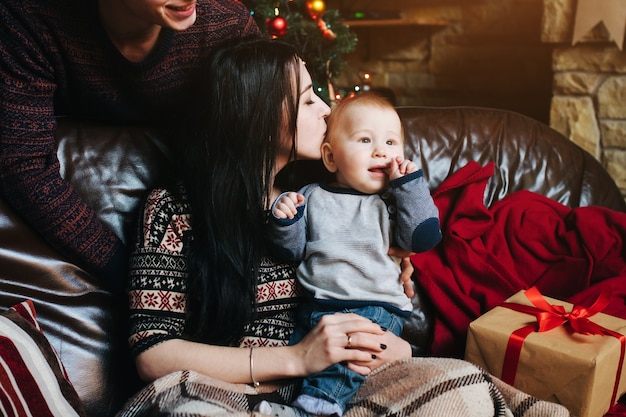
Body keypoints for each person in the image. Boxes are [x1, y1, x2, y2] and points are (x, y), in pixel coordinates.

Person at [0, 0, 259, 292]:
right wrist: (133, 277)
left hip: (203, 240)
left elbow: (257, 153)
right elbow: (23, 166)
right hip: (66, 251)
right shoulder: (28, 18)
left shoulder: (228, 25)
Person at [263, 92, 442, 416]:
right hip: (316, 305)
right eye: (365, 140)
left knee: (348, 362)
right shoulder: (311, 196)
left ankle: (316, 409)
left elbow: (423, 237)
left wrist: (411, 186)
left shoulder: (393, 201)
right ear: (330, 158)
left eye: (391, 143)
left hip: (372, 306)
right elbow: (290, 252)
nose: (381, 151)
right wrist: (285, 219)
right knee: (296, 365)